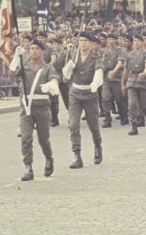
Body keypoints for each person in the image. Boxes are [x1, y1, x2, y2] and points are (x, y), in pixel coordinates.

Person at [9, 39, 60, 181]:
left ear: (42, 51)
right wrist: (15, 58)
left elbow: (55, 78)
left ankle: (49, 158)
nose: (34, 51)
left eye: (37, 48)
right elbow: (12, 73)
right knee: (26, 138)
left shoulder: (47, 68)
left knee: (43, 139)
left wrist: (52, 84)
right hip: (26, 107)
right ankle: (28, 167)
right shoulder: (24, 65)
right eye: (31, 48)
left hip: (42, 107)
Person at [62, 31, 104, 168]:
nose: (83, 43)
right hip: (75, 93)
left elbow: (99, 71)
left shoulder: (96, 57)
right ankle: (77, 155)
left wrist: (95, 83)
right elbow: (66, 75)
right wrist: (69, 67)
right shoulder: (73, 55)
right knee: (73, 125)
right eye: (80, 40)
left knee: (93, 126)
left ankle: (97, 146)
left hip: (90, 94)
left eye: (85, 40)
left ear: (91, 43)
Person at [122, 33, 146, 135]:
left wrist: (144, 74)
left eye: (138, 41)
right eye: (134, 41)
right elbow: (126, 70)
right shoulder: (129, 55)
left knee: (144, 106)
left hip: (143, 81)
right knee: (132, 104)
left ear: (142, 42)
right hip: (131, 81)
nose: (136, 43)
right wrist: (123, 83)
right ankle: (134, 126)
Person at [101, 33, 126, 127]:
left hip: (117, 77)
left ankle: (123, 116)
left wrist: (114, 71)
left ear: (116, 41)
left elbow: (120, 63)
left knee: (119, 98)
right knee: (105, 97)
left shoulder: (120, 51)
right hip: (106, 78)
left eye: (113, 39)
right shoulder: (104, 51)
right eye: (109, 39)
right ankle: (107, 118)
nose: (111, 41)